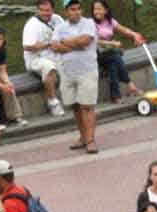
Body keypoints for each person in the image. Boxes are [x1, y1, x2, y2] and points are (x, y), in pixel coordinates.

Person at [51, 0, 100, 152]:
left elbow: (85, 41)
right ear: (66, 11)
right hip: (67, 73)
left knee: (87, 106)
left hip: (87, 71)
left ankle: (91, 140)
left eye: (79, 9)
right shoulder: (59, 27)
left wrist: (65, 42)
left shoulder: (89, 23)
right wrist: (76, 44)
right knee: (75, 107)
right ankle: (83, 137)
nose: (77, 12)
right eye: (73, 9)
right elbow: (54, 46)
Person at [90, 0, 143, 102]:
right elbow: (95, 42)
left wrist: (134, 34)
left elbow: (123, 29)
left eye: (99, 9)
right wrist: (112, 44)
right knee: (115, 56)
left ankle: (116, 96)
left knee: (113, 65)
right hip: (96, 54)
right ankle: (130, 85)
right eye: (94, 9)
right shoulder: (91, 23)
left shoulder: (110, 21)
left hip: (109, 54)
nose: (96, 11)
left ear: (105, 10)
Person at [22, 0, 67, 117]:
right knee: (49, 67)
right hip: (36, 59)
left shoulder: (57, 19)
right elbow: (27, 46)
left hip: (55, 55)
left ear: (52, 10)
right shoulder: (32, 25)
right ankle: (53, 102)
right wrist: (49, 44)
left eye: (47, 11)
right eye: (41, 10)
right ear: (37, 10)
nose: (45, 13)